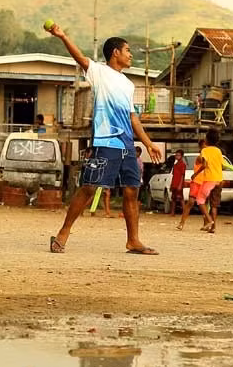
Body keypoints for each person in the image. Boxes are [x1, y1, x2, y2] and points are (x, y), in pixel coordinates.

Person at [45, 25, 162, 255]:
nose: (130, 55)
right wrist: (62, 36)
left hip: (127, 145)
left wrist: (148, 143)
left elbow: (132, 118)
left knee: (132, 190)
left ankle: (133, 241)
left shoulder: (128, 84)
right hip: (106, 141)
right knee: (89, 187)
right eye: (127, 50)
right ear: (115, 53)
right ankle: (63, 233)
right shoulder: (99, 71)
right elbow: (79, 57)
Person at [177, 128, 223, 233]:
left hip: (207, 181)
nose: (205, 147)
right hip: (201, 182)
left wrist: (196, 172)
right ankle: (182, 223)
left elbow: (206, 164)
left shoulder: (207, 152)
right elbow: (219, 164)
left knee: (203, 202)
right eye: (203, 146)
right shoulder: (206, 154)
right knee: (194, 202)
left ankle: (209, 223)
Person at [170, 149, 186, 216]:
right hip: (174, 183)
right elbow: (173, 175)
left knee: (181, 198)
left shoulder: (182, 164)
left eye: (178, 155)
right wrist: (171, 184)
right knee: (173, 198)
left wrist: (180, 185)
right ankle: (173, 212)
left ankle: (185, 212)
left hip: (179, 184)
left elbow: (182, 175)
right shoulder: (175, 164)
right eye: (176, 155)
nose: (177, 156)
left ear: (181, 156)